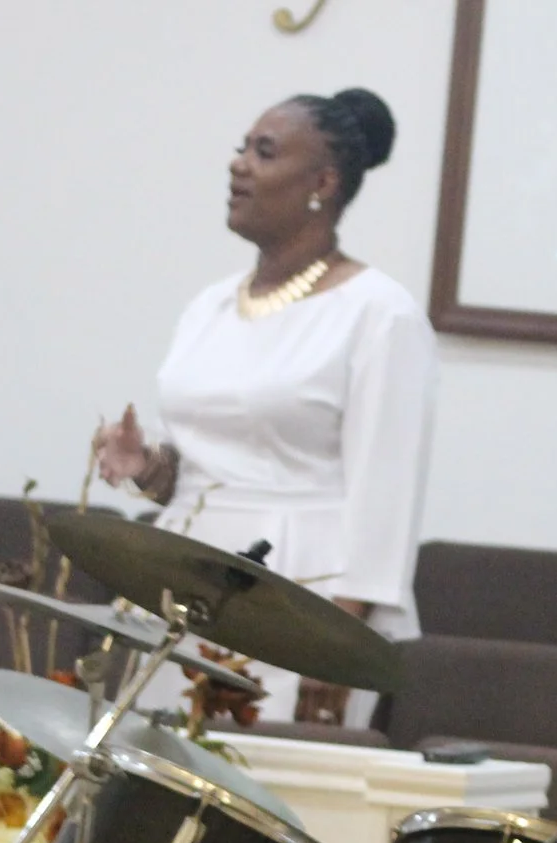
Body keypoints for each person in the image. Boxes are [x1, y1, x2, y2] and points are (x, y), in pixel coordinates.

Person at [95, 88, 435, 726]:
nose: (239, 165)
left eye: (265, 152)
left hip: (302, 602)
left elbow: (386, 497)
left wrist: (339, 644)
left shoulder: (379, 314)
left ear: (323, 182)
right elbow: (200, 469)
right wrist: (148, 466)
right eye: (241, 149)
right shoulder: (210, 307)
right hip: (184, 582)